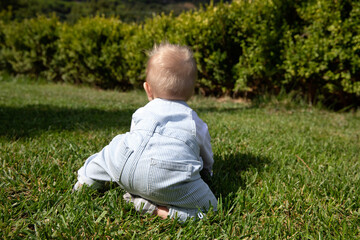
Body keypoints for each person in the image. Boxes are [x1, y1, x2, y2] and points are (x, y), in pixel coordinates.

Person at [73, 43, 217, 222]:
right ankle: (159, 211)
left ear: (148, 89)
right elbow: (206, 154)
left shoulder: (142, 111)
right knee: (210, 210)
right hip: (170, 180)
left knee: (109, 153)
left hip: (125, 168)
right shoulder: (193, 120)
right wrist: (208, 171)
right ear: (191, 92)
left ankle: (85, 181)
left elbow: (138, 140)